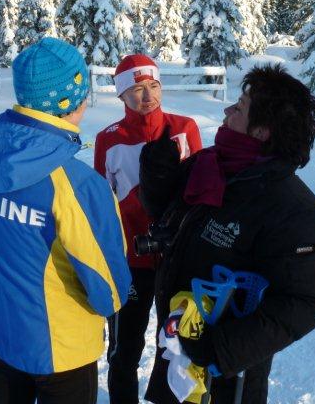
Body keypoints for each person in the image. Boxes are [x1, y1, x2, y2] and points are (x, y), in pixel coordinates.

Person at [0, 37, 131, 404]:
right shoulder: (76, 183)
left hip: (3, 332)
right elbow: (109, 291)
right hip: (62, 349)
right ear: (74, 100)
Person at [138, 64, 315, 403]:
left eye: (240, 107)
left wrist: (217, 348)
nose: (227, 111)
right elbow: (167, 219)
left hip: (226, 375)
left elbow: (303, 303)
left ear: (261, 132)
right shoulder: (210, 165)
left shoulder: (294, 210)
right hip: (177, 345)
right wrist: (157, 179)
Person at [94, 54, 202, 404]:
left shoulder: (185, 129)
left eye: (154, 86)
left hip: (177, 261)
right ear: (122, 96)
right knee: (125, 349)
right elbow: (101, 205)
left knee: (174, 347)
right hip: (131, 263)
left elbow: (200, 196)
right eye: (137, 89)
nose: (148, 96)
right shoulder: (108, 139)